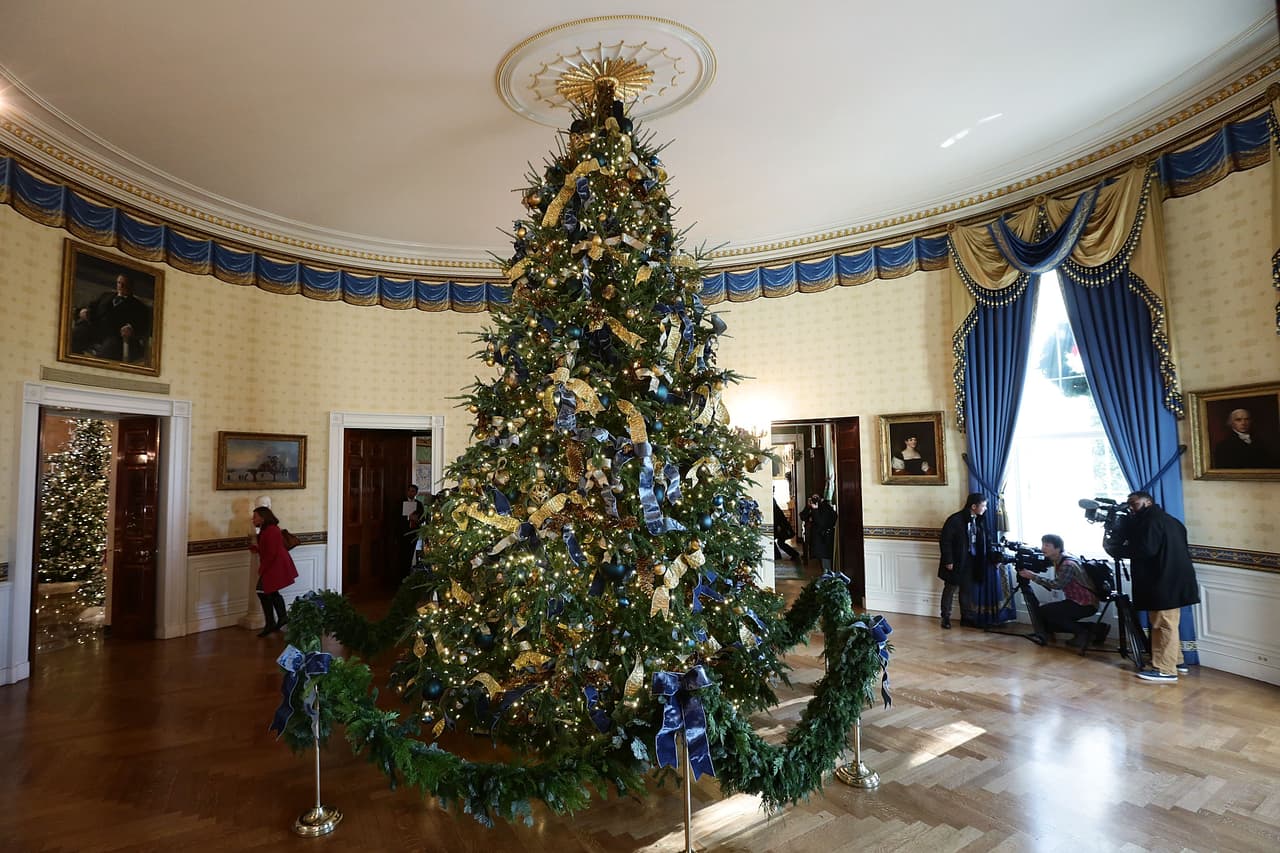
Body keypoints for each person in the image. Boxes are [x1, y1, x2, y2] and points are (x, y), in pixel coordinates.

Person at [1108, 491, 1200, 683]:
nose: (1131, 508)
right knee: (1168, 623)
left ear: (1148, 502)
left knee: (1163, 624)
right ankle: (1176, 661)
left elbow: (1146, 549)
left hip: (1163, 580)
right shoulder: (1169, 520)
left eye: (1134, 503)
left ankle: (1165, 669)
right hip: (1174, 579)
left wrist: (1117, 549)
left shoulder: (1151, 522)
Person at [1017, 534, 1105, 646]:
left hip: (1085, 604)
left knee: (1043, 612)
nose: (1043, 548)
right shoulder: (1061, 557)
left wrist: (1033, 576)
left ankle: (1083, 632)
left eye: (1047, 545)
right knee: (1046, 615)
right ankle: (1096, 628)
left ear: (1057, 548)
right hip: (1078, 601)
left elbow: (1057, 585)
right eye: (1043, 544)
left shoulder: (1067, 564)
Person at [937, 492, 988, 629]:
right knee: (950, 588)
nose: (985, 508)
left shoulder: (979, 520)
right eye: (983, 506)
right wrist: (948, 560)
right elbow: (945, 541)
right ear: (973, 506)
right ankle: (945, 617)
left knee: (967, 589)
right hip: (956, 560)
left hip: (971, 560)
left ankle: (967, 617)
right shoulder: (955, 520)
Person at [76, 273, 153, 362]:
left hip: (116, 337)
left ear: (131, 286)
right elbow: (91, 307)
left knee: (104, 356)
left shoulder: (139, 306)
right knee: (75, 335)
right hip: (96, 330)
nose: (120, 286)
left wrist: (131, 328)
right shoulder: (106, 295)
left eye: (124, 284)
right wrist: (84, 311)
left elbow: (143, 326)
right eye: (119, 283)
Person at [249, 505, 298, 637]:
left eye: (255, 517)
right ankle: (279, 619)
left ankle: (273, 622)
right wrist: (257, 549)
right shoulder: (268, 530)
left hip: (275, 565)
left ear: (263, 518)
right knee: (270, 592)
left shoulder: (271, 530)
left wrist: (262, 568)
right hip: (275, 564)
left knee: (263, 591)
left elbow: (271, 553)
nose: (252, 519)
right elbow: (268, 549)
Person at [1213, 408, 1279, 469]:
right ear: (1231, 423)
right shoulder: (1223, 445)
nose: (1243, 423)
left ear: (1251, 421)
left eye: (1247, 419)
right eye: (1238, 420)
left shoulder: (1260, 441)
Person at [799, 494, 837, 573]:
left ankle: (828, 578)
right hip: (818, 537)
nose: (815, 499)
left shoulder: (826, 507)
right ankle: (826, 577)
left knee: (825, 558)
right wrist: (808, 507)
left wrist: (815, 510)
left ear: (821, 498)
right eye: (813, 498)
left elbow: (820, 522)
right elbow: (803, 516)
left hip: (825, 537)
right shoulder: (812, 506)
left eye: (816, 497)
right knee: (820, 557)